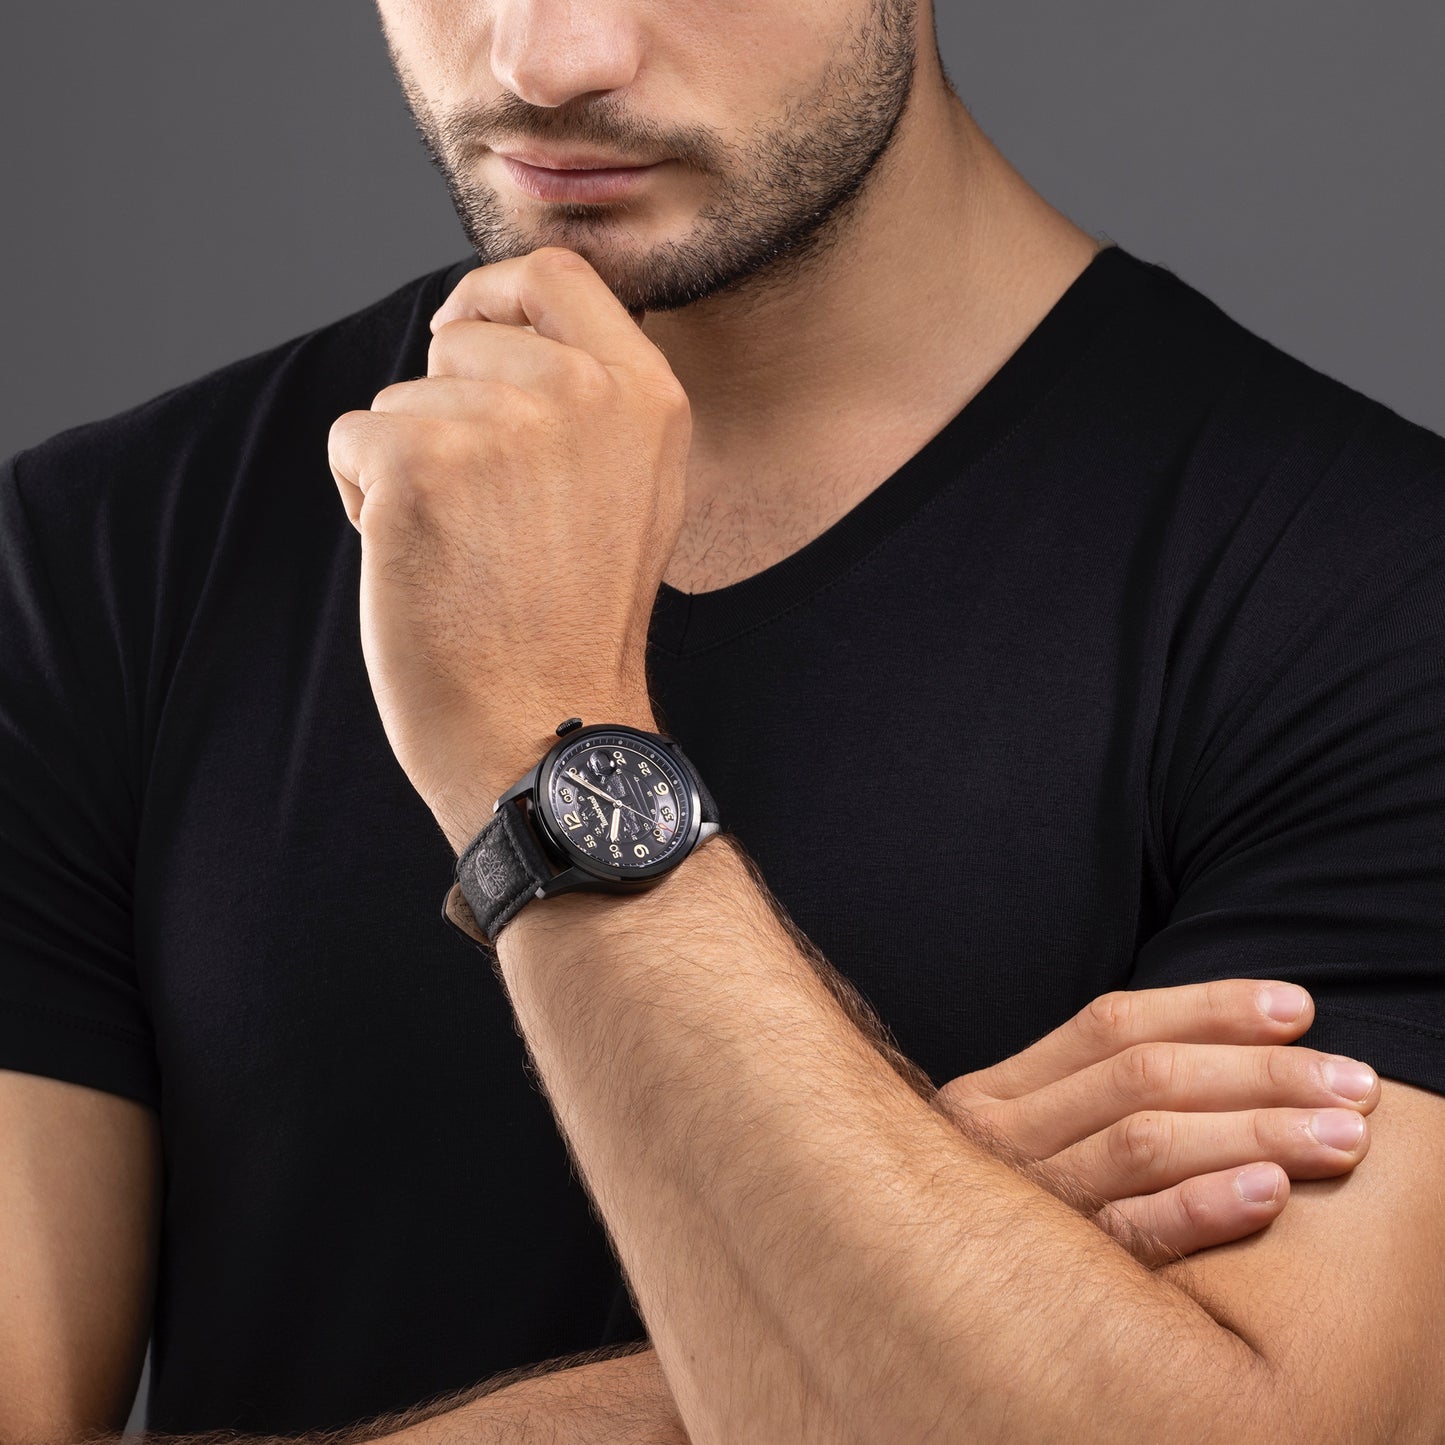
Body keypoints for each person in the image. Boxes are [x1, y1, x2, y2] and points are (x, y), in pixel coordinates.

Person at [2, 0, 1443, 1438]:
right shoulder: (89, 557)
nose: (546, 61)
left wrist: (530, 731)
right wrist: (908, 1264)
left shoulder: (1377, 588)